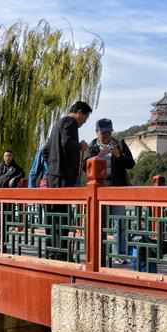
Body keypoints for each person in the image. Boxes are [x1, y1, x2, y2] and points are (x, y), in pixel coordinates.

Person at [85, 118, 136, 265]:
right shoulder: (93, 147)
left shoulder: (119, 144)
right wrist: (98, 157)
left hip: (116, 188)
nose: (106, 135)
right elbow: (85, 166)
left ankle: (119, 255)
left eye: (108, 132)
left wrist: (118, 155)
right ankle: (98, 255)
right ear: (97, 132)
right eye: (103, 133)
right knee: (98, 223)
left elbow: (131, 164)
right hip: (98, 189)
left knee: (119, 223)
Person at [44, 101, 92, 188]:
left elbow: (45, 150)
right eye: (86, 117)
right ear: (79, 112)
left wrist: (53, 167)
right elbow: (66, 142)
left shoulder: (58, 124)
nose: (85, 121)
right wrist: (80, 146)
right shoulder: (71, 122)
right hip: (64, 176)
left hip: (53, 176)